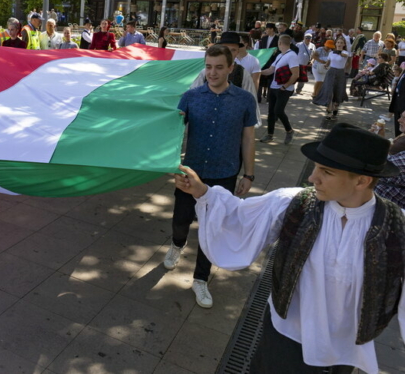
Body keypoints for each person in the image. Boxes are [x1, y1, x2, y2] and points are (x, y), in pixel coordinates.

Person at [173, 122, 404, 374]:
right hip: (287, 334)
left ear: (361, 181)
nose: (312, 177)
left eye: (325, 172)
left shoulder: (396, 226)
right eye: (315, 168)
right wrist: (202, 192)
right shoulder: (295, 203)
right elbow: (239, 217)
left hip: (345, 346)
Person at [164, 44, 257, 309]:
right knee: (181, 219)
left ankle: (201, 279)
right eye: (208, 67)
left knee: (212, 228)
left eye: (218, 67)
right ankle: (176, 244)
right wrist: (170, 163)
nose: (212, 73)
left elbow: (248, 138)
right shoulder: (191, 97)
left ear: (231, 68)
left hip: (225, 174)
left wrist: (248, 174)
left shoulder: (244, 100)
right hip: (191, 172)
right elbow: (171, 131)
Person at [260, 35, 300, 144]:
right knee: (271, 112)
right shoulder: (280, 55)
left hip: (284, 89)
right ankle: (269, 135)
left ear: (280, 43)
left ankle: (289, 130)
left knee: (278, 110)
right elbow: (270, 70)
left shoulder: (292, 56)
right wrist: (258, 72)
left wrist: (285, 86)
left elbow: (296, 74)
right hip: (273, 87)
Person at [372, 110, 405, 207]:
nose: (399, 120)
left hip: (386, 207)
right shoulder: (402, 137)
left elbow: (378, 166)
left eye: (404, 118)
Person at [313, 35, 350, 120]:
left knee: (338, 91)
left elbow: (344, 55)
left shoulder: (345, 53)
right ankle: (329, 109)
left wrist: (339, 52)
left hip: (340, 73)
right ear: (335, 43)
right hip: (331, 72)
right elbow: (328, 63)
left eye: (341, 43)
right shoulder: (331, 53)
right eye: (338, 42)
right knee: (329, 90)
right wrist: (324, 65)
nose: (339, 44)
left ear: (344, 44)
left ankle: (335, 110)